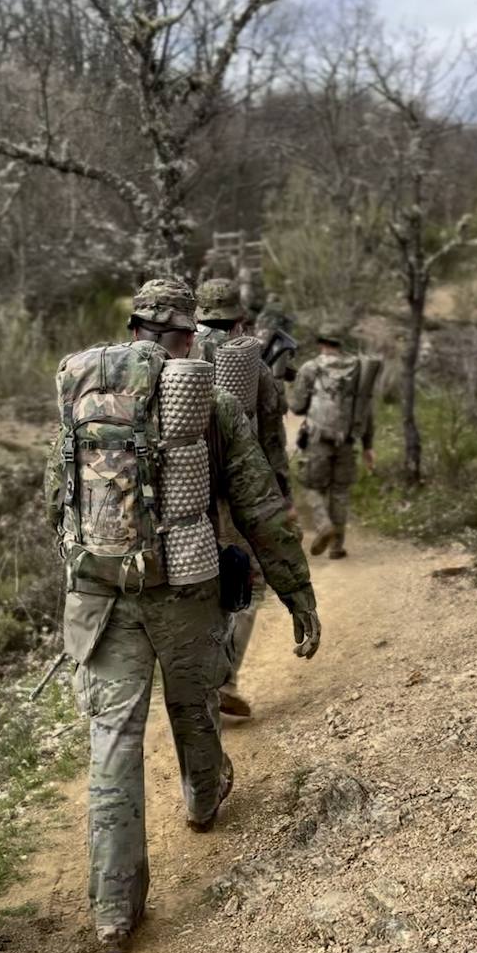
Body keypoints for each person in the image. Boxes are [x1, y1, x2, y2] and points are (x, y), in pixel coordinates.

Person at [45, 276, 320, 953]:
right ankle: (202, 798)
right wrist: (297, 595)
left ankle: (114, 910)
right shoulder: (209, 399)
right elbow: (258, 506)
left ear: (133, 326)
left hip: (99, 592)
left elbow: (59, 497)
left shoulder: (80, 392)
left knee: (112, 744)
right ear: (186, 335)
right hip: (182, 589)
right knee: (193, 703)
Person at [191, 277, 292, 718]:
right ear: (242, 319)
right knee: (246, 583)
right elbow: (271, 434)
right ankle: (224, 677)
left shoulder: (173, 356)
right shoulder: (253, 367)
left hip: (184, 496)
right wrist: (279, 494)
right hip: (237, 497)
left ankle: (192, 680)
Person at [291, 325, 379, 561]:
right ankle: (337, 547)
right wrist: (368, 446)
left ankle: (323, 525)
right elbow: (366, 410)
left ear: (322, 343)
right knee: (339, 492)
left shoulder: (311, 368)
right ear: (341, 345)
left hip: (317, 439)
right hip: (348, 441)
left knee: (311, 486)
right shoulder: (359, 370)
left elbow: (297, 406)